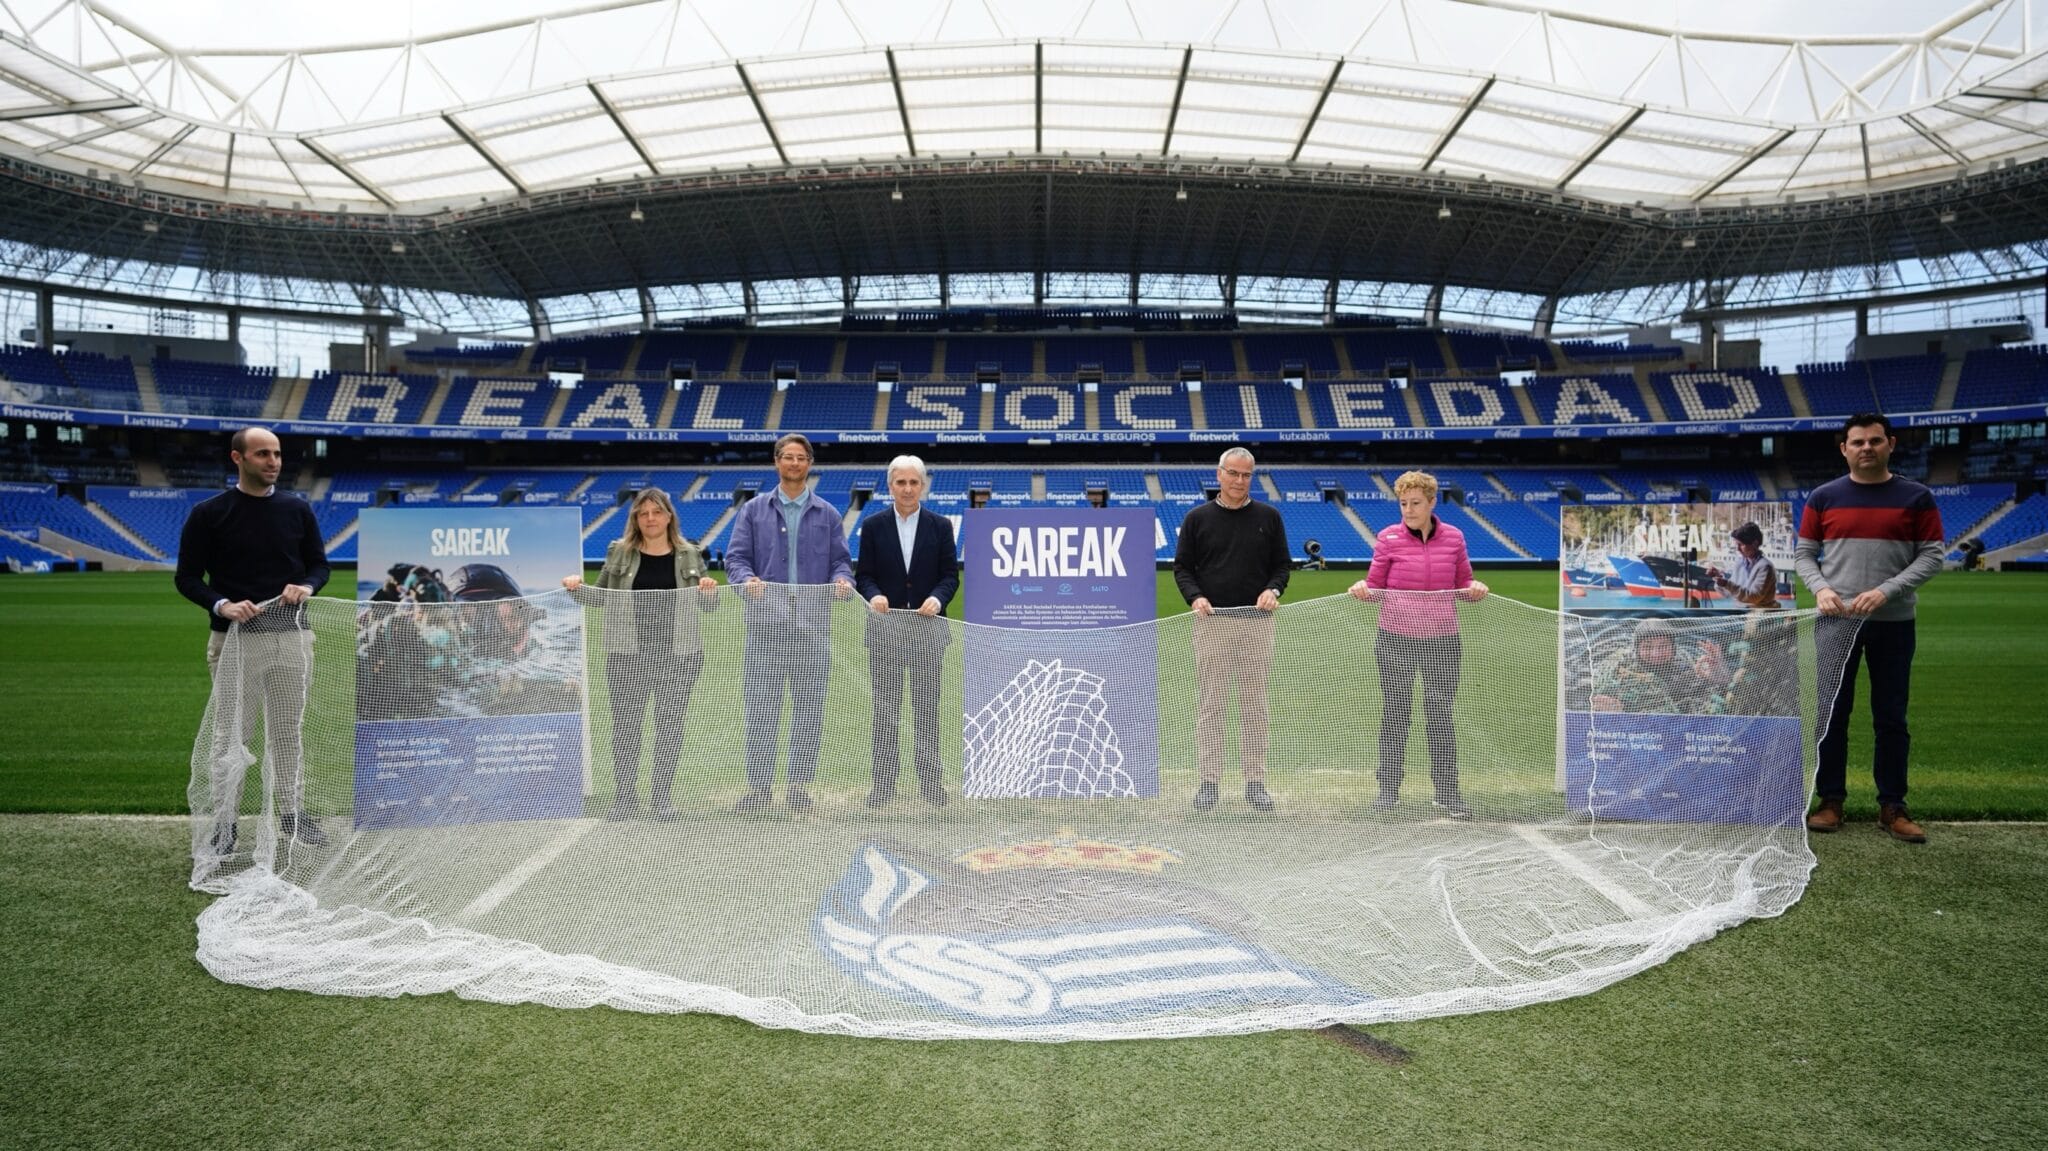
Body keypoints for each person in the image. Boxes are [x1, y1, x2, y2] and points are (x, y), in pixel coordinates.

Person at [174, 427, 331, 853]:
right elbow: (186, 578)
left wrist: (308, 586)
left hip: (292, 639)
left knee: (288, 733)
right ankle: (224, 826)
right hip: (236, 642)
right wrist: (220, 603)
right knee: (230, 736)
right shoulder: (210, 513)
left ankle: (293, 816)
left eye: (277, 454)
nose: (273, 461)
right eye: (262, 454)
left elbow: (319, 566)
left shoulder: (297, 510)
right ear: (237, 458)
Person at [1796, 412, 1944, 843]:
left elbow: (1932, 556)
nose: (1866, 448)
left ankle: (1893, 806)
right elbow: (1805, 554)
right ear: (1844, 448)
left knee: (1891, 717)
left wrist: (1887, 590)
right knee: (1832, 715)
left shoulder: (1916, 497)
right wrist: (1821, 588)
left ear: (1890, 444)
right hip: (1835, 622)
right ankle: (1831, 801)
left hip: (1893, 621)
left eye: (1874, 441)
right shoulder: (1824, 497)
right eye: (1857, 442)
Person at [563, 487, 719, 821]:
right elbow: (599, 597)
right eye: (643, 513)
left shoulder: (690, 553)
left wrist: (709, 590)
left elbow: (710, 606)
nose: (650, 518)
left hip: (679, 656)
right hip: (626, 655)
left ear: (669, 516)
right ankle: (626, 800)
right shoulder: (618, 551)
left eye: (657, 512)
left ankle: (661, 799)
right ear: (635, 517)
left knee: (669, 729)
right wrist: (577, 588)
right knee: (625, 728)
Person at [723, 433, 854, 813]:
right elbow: (735, 560)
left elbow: (841, 562)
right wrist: (746, 581)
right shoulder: (753, 511)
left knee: (809, 710)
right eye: (788, 457)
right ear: (777, 462)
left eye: (801, 458)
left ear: (810, 464)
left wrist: (842, 580)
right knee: (761, 707)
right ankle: (760, 789)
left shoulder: (828, 514)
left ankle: (798, 788)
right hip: (765, 627)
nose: (795, 464)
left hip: (813, 628)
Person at [1348, 470, 1488, 818]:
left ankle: (1447, 793)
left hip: (1443, 640)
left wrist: (1477, 590)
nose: (1408, 510)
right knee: (1396, 715)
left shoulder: (1454, 538)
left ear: (1431, 502)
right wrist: (1361, 589)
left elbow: (1464, 584)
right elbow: (1375, 586)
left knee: (1440, 716)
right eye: (1403, 503)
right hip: (1394, 638)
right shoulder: (1388, 538)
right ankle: (1388, 791)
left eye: (1415, 503)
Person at [1173, 447, 1290, 813]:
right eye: (1233, 473)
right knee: (1212, 706)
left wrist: (1273, 589)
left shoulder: (1269, 517)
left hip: (1257, 626)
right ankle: (1209, 782)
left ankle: (1255, 782)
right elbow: (1182, 569)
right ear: (1219, 474)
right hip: (1213, 624)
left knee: (1254, 706)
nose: (1240, 481)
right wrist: (1195, 597)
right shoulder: (1197, 518)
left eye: (1246, 475)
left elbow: (1282, 567)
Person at [854, 455, 959, 808]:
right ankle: (883, 785)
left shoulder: (941, 526)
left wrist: (937, 598)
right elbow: (863, 575)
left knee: (927, 710)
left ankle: (931, 784)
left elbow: (950, 576)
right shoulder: (872, 526)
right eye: (901, 482)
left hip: (928, 632)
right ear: (890, 486)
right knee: (885, 712)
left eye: (914, 482)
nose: (908, 489)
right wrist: (874, 594)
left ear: (923, 485)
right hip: (885, 632)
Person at [1588, 616, 1731, 716]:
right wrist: (1615, 712)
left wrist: (1719, 676)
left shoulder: (1688, 665)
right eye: (1647, 647)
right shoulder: (1619, 672)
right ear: (1637, 650)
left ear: (1673, 648)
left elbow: (1718, 696)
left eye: (1663, 646)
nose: (1656, 654)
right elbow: (1592, 700)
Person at [1706, 521, 1780, 609]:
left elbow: (1754, 597)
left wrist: (1726, 583)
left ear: (1755, 544)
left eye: (1741, 544)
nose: (1737, 548)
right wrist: (1718, 578)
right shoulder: (1739, 563)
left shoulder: (1765, 567)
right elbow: (1728, 593)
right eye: (1736, 544)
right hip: (1741, 613)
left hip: (1761, 616)